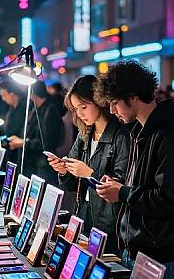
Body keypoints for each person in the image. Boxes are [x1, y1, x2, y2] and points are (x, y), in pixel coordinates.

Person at [95, 61, 174, 279]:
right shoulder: (143, 132)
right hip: (141, 249)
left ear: (133, 97)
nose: (112, 110)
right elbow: (145, 185)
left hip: (160, 253)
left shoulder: (170, 135)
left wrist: (122, 193)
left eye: (115, 102)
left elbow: (169, 199)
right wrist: (121, 186)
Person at [47, 76, 130, 254]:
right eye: (76, 109)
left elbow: (121, 184)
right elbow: (70, 184)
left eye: (83, 107)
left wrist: (89, 173)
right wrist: (63, 170)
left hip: (108, 219)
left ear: (99, 101)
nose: (80, 114)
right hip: (83, 212)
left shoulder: (121, 135)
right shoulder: (84, 135)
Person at [9, 80, 63, 185]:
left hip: (42, 167)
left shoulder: (50, 110)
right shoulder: (36, 109)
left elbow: (47, 143)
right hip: (32, 164)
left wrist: (23, 142)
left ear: (34, 93)